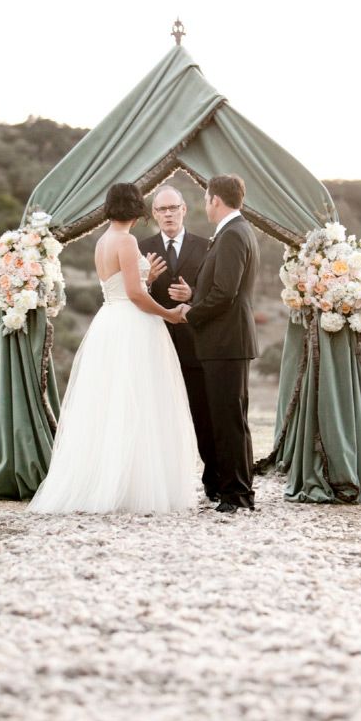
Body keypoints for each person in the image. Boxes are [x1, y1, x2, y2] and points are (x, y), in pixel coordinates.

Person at [28, 183, 197, 515]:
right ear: (136, 209)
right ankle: (133, 487)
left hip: (109, 322)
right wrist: (169, 315)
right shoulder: (127, 240)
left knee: (113, 402)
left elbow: (121, 286)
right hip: (133, 324)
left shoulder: (103, 241)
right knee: (140, 401)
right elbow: (134, 294)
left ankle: (111, 481)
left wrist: (147, 275)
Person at [180, 175, 260, 514]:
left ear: (215, 200)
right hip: (227, 341)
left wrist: (190, 313)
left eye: (206, 199)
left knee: (229, 420)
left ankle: (237, 495)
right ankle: (237, 491)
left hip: (226, 342)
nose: (205, 205)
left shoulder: (232, 235)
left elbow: (224, 293)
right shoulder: (236, 232)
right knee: (231, 418)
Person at [139, 185, 219, 501]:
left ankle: (213, 482)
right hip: (155, 345)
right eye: (161, 210)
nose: (168, 214)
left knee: (203, 414)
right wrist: (146, 281)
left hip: (196, 346)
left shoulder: (206, 245)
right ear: (154, 214)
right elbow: (131, 294)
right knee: (158, 416)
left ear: (184, 209)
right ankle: (160, 484)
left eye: (173, 208)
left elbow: (216, 292)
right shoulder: (141, 247)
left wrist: (193, 296)